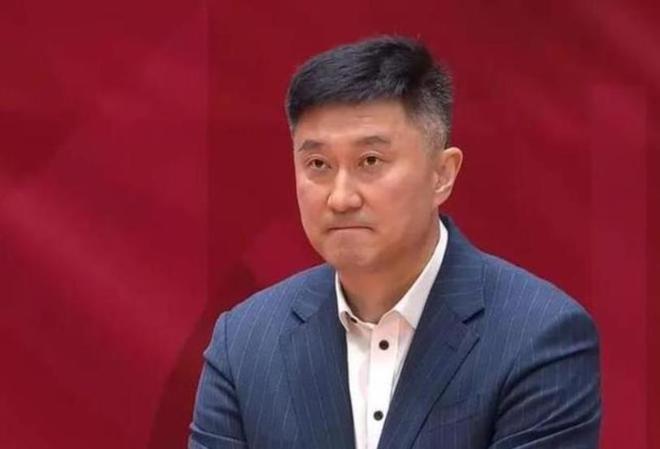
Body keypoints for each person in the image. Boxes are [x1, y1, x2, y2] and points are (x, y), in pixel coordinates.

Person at [188, 35, 601, 449]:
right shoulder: (243, 343)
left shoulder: (539, 336)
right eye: (318, 164)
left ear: (442, 174)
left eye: (370, 161)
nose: (341, 198)